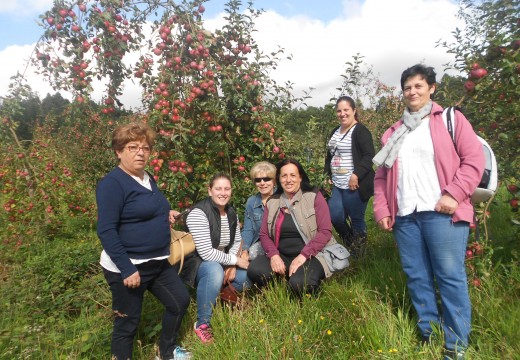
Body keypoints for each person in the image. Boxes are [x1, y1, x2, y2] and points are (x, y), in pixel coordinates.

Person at [372, 64, 485, 360]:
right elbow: (382, 176)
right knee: (417, 276)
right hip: (406, 215)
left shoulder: (451, 119)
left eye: (419, 86)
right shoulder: (393, 132)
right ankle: (429, 333)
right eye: (407, 87)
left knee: (449, 276)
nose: (412, 92)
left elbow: (473, 161)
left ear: (432, 88)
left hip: (442, 211)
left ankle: (456, 343)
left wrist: (454, 193)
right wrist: (383, 209)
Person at [96, 123, 191, 360]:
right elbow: (106, 230)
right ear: (119, 151)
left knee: (179, 301)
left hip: (156, 262)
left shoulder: (147, 177)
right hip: (127, 266)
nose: (140, 152)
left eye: (145, 148)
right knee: (127, 322)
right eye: (133, 147)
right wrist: (127, 268)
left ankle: (166, 352)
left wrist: (166, 212)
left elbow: (152, 204)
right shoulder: (112, 184)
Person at [247, 158, 333, 297]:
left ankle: (304, 285)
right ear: (278, 179)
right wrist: (274, 256)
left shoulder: (313, 196)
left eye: (293, 175)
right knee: (255, 269)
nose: (288, 180)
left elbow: (325, 232)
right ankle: (282, 285)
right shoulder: (273, 201)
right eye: (284, 176)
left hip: (311, 255)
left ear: (300, 177)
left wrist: (303, 256)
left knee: (299, 284)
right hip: (283, 255)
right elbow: (264, 234)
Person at [185, 173, 249, 343]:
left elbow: (236, 241)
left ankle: (214, 292)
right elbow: (206, 253)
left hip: (224, 262)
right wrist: (236, 261)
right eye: (218, 188)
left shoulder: (231, 212)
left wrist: (232, 265)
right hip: (198, 264)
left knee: (251, 275)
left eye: (227, 188)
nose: (223, 192)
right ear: (210, 191)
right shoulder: (198, 213)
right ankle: (202, 324)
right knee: (214, 270)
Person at [325, 95, 375, 255]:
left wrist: (356, 175)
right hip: (337, 184)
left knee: (356, 219)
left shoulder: (361, 131)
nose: (342, 113)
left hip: (355, 184)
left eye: (346, 110)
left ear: (354, 110)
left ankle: (359, 252)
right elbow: (329, 155)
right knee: (335, 217)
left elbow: (369, 156)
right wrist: (327, 174)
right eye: (339, 111)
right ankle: (351, 243)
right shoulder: (335, 131)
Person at [241, 161, 277, 261]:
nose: (262, 183)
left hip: (281, 243)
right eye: (258, 180)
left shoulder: (282, 198)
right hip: (261, 243)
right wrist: (244, 250)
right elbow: (248, 229)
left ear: (274, 181)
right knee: (249, 254)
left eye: (266, 179)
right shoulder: (252, 202)